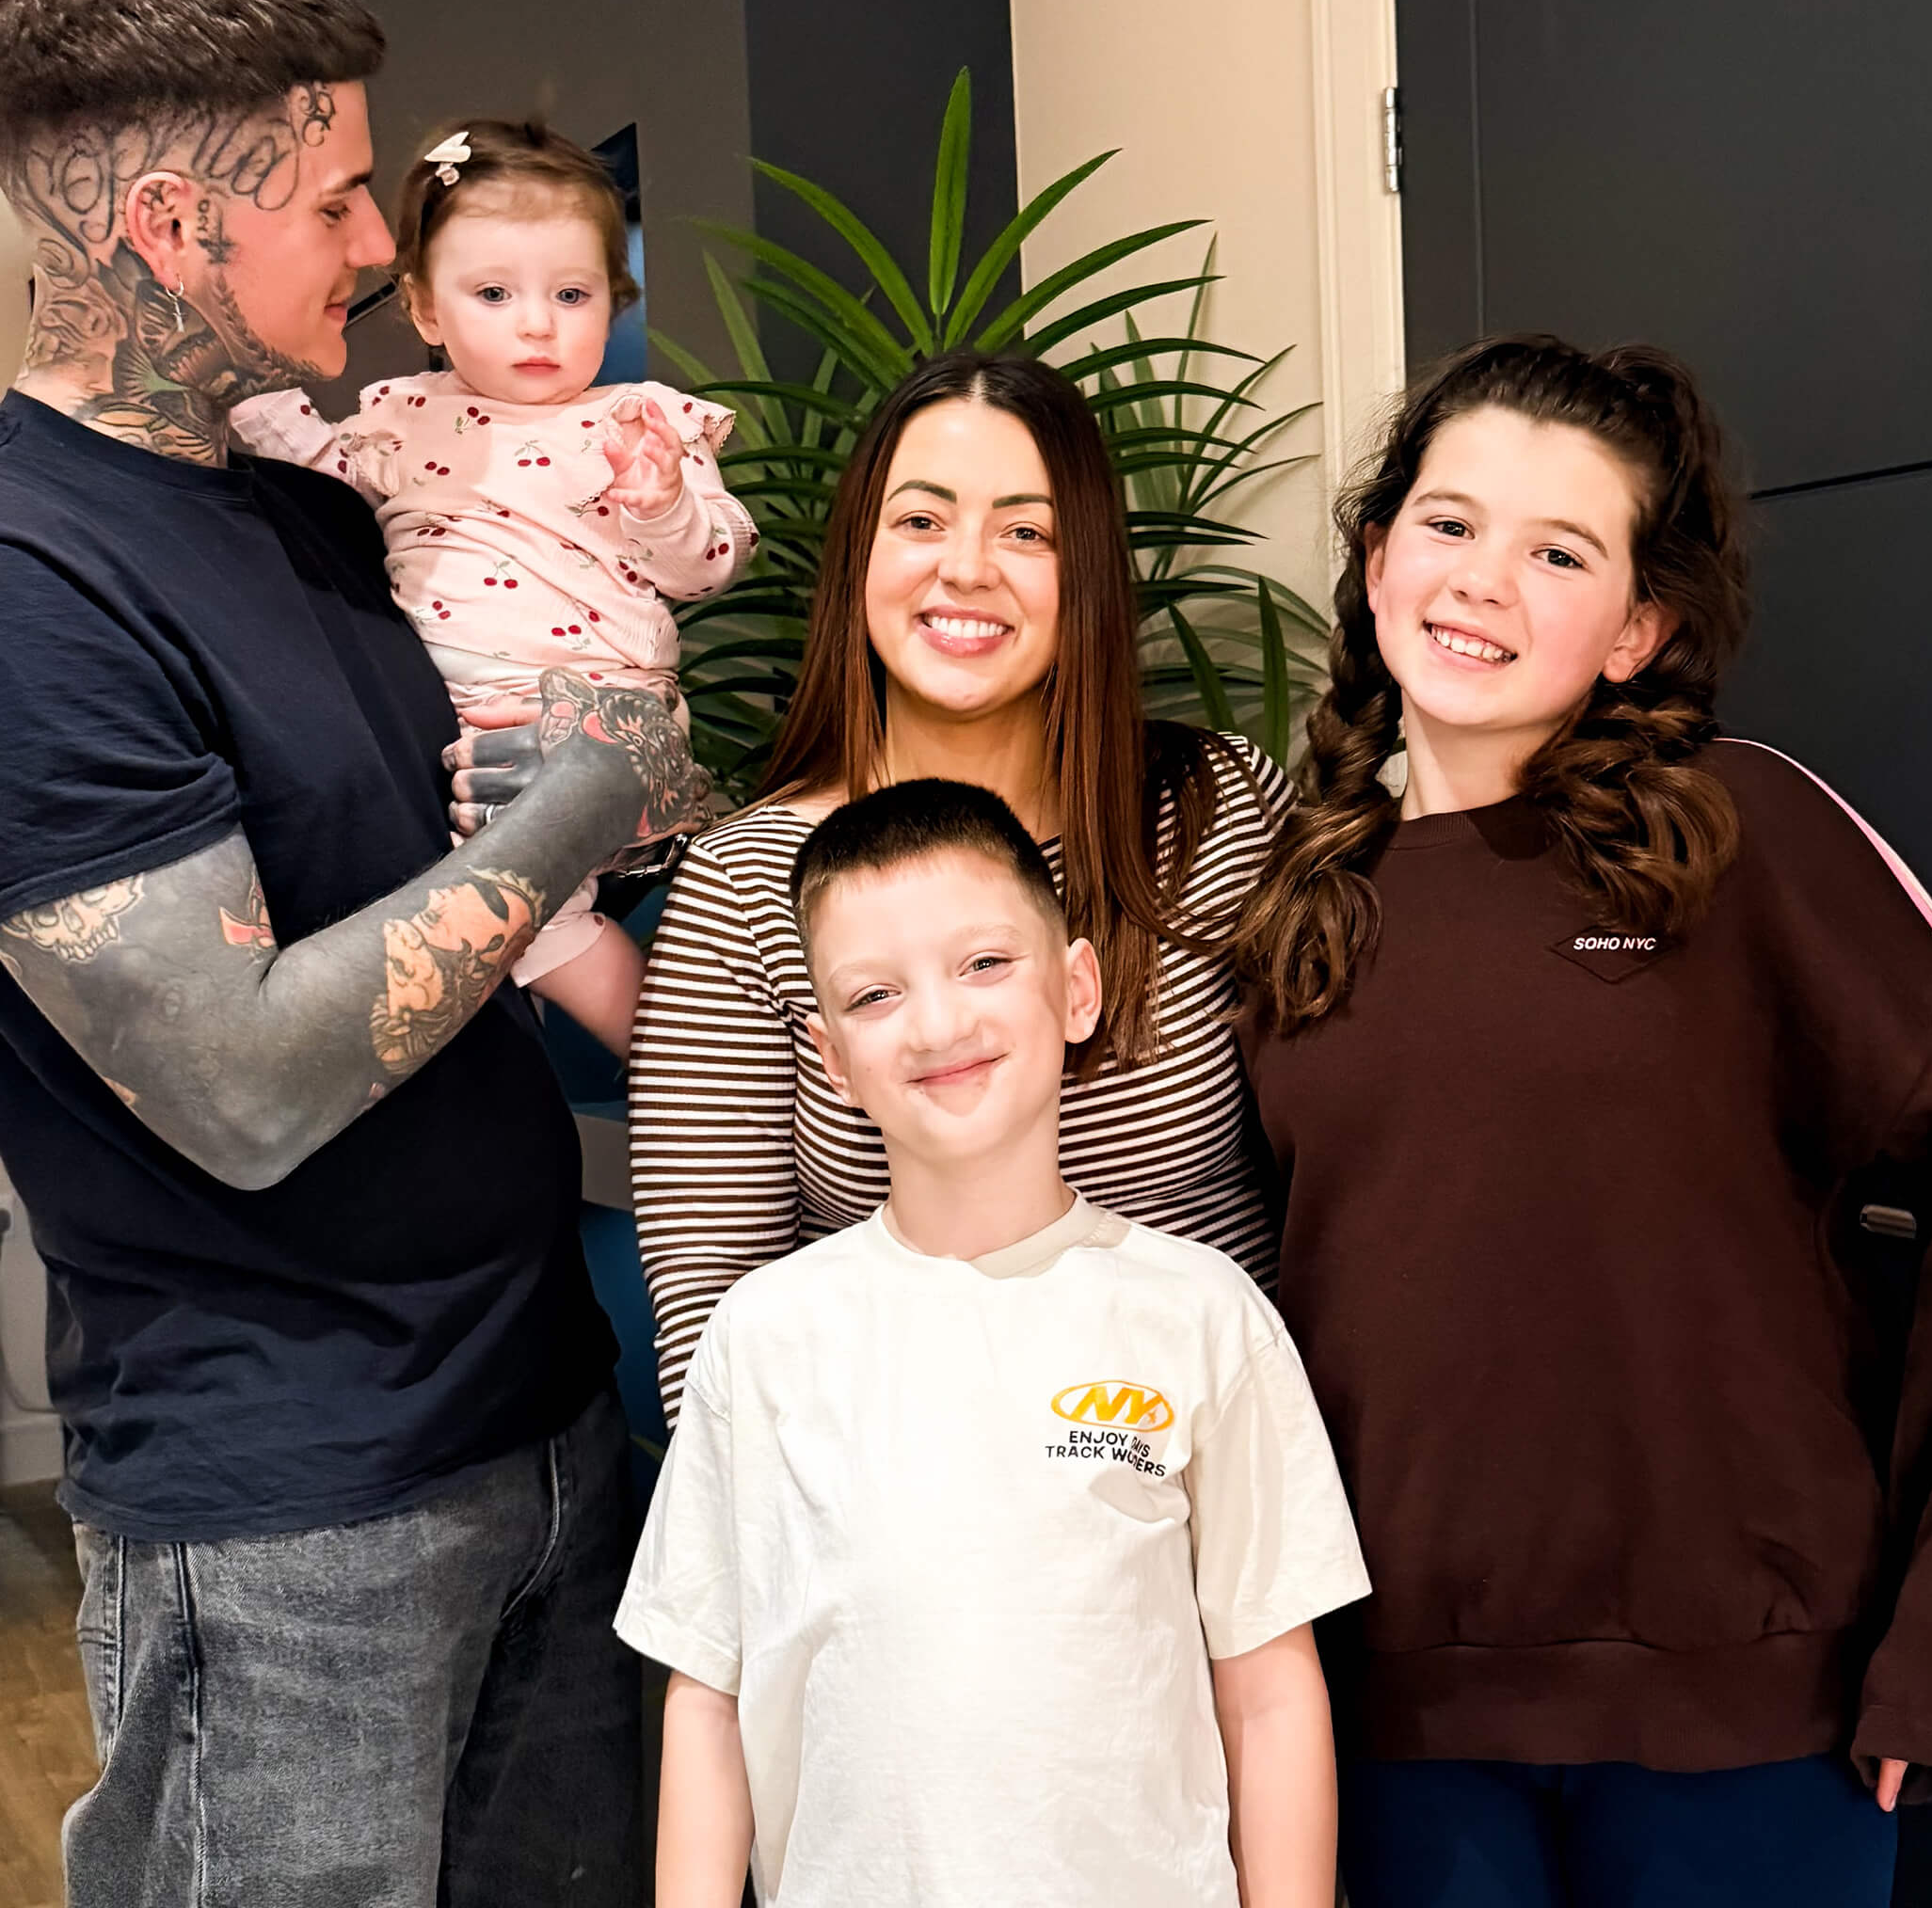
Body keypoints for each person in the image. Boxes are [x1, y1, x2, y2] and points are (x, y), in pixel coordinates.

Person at [0, 0, 709, 1906]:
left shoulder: (323, 512)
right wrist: (581, 807)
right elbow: (236, 1084)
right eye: (329, 201)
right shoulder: (32, 576)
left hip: (541, 1412)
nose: (383, 249)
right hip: (295, 1514)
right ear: (163, 222)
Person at [1231, 335, 1932, 1908]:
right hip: (1392, 1722)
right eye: (1448, 522)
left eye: (1558, 550)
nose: (1483, 579)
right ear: (1375, 561)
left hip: (1748, 1721)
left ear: (1637, 628)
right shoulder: (1297, 900)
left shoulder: (1739, 831)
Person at [616, 778, 1371, 1906]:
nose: (937, 1023)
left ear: (1076, 989)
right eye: (874, 994)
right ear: (829, 1056)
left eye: (983, 965)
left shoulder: (1202, 1316)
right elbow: (710, 1694)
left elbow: (1269, 1693)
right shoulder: (767, 1335)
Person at [631, 350, 1291, 1421]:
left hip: (1211, 1482)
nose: (968, 569)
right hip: (904, 1505)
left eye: (1026, 531)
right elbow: (714, 1326)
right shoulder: (749, 884)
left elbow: (1354, 1173)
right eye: (922, 521)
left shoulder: (1217, 808)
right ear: (860, 556)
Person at [234, 117, 756, 1057]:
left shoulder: (637, 423)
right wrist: (259, 408)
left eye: (571, 292)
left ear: (614, 298)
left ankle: (686, 1066)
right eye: (493, 292)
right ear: (426, 311)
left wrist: (664, 501)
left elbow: (712, 562)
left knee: (523, 915)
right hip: (466, 745)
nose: (537, 322)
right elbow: (328, 488)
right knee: (476, 918)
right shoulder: (401, 419)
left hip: (597, 728)